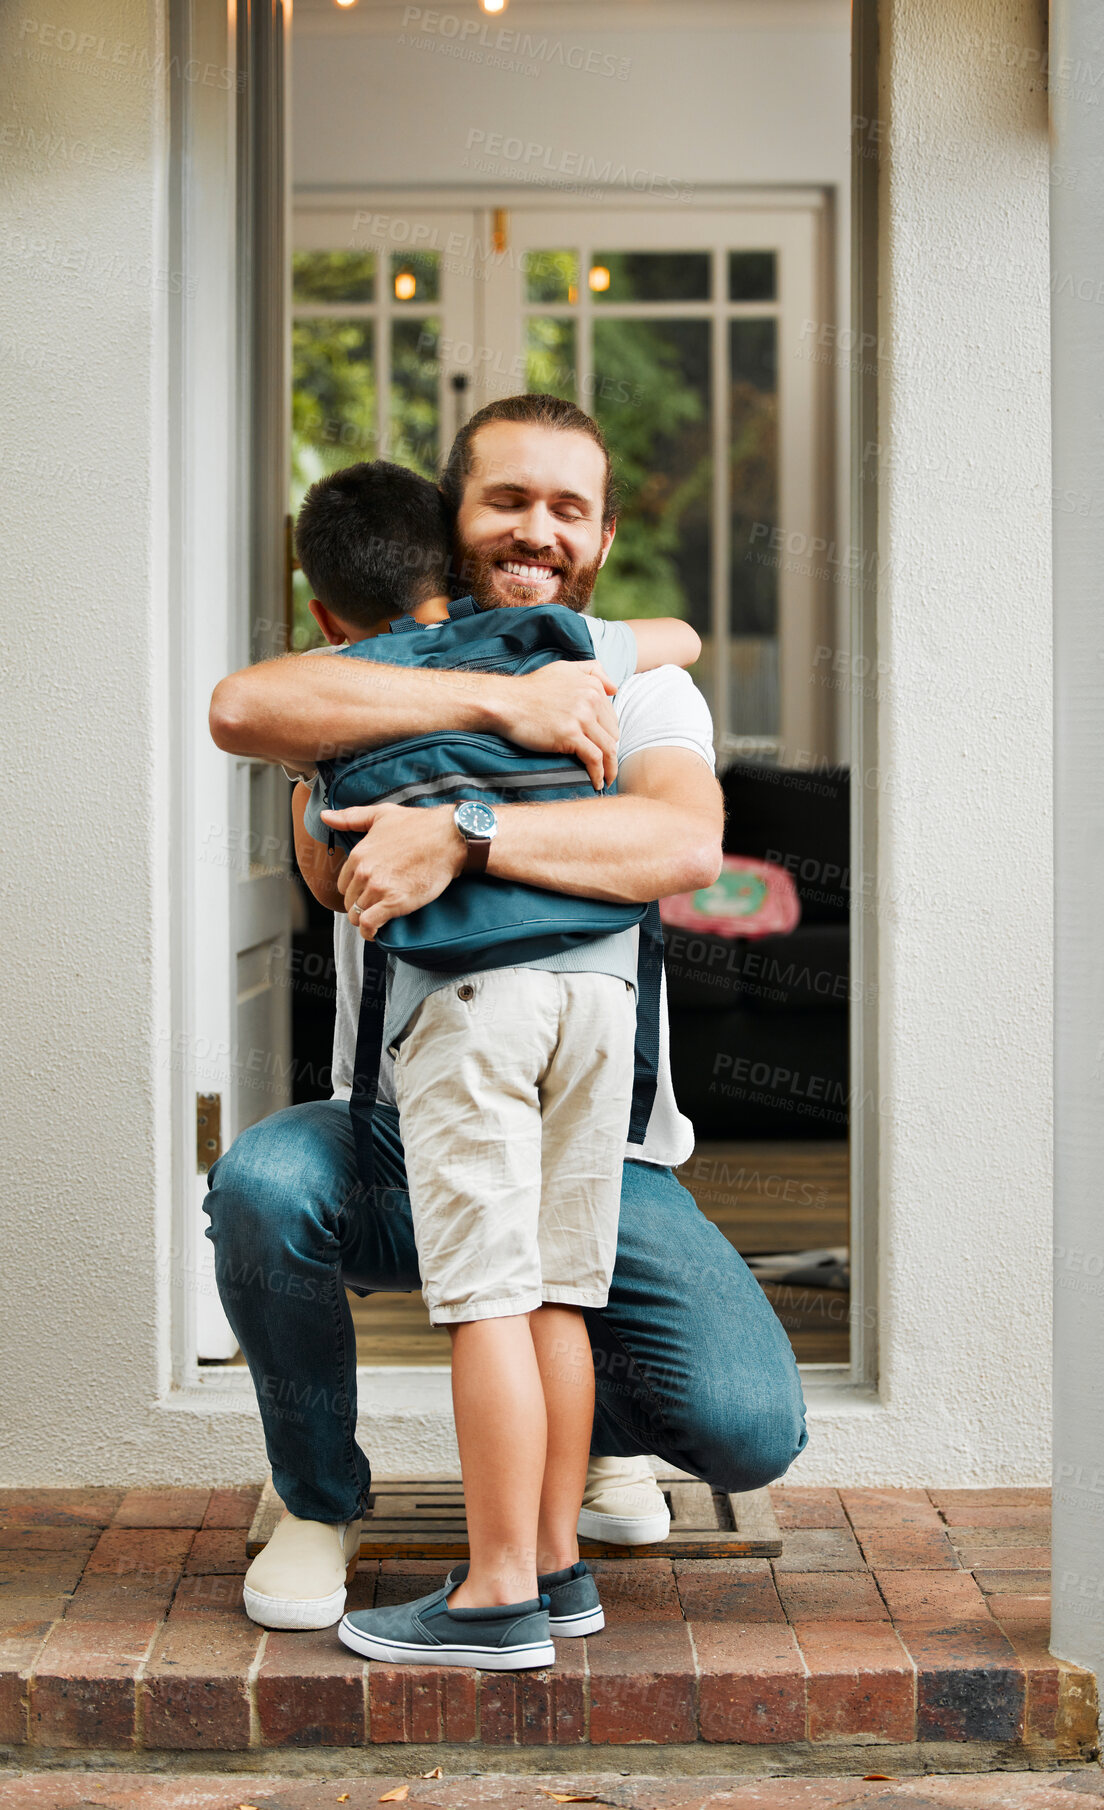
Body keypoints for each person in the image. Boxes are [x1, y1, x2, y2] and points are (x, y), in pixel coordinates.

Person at [206, 393, 808, 1636]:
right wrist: (495, 709)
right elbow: (248, 715)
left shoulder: (636, 696)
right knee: (263, 1185)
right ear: (453, 513)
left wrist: (464, 832)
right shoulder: (375, 665)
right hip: (389, 1126)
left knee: (747, 1422)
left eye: (567, 507)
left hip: (607, 1141)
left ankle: (574, 1465)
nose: (537, 527)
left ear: (600, 534)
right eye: (508, 499)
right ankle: (323, 1495)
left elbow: (681, 840)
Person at [282, 458, 700, 1668]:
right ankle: (560, 1567)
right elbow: (671, 634)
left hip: (473, 1007)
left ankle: (498, 1594)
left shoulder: (349, 684)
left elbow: (306, 823)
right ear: (455, 563)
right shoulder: (562, 649)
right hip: (598, 1000)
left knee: (488, 1301)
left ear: (327, 612)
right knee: (563, 1290)